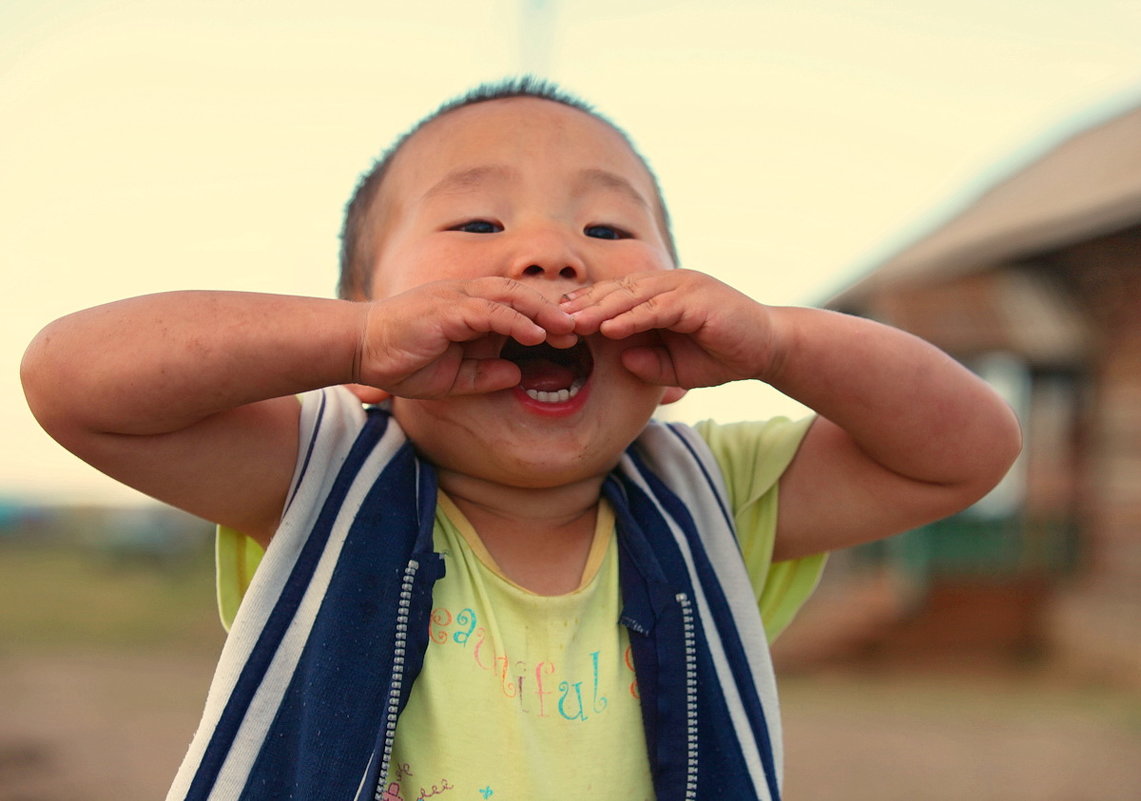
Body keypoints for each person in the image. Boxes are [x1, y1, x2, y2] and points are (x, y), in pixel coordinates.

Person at [20, 78, 1021, 801]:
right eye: (475, 224)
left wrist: (781, 339)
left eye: (609, 232)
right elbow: (73, 380)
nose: (549, 251)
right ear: (368, 326)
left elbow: (969, 449)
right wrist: (355, 344)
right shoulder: (311, 472)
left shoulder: (718, 497)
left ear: (677, 345)